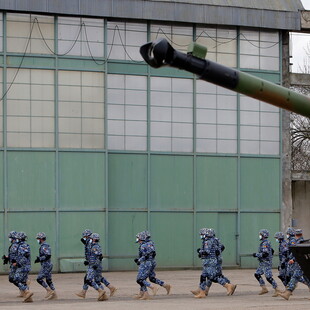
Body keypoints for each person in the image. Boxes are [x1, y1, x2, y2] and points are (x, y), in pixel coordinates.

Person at [194, 228, 236, 298]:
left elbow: (207, 251)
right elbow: (221, 247)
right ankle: (202, 291)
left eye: (202, 234)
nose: (201, 236)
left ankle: (227, 285)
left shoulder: (207, 241)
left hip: (210, 261)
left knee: (213, 277)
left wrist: (199, 251)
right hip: (211, 260)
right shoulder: (215, 240)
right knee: (203, 276)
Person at [134, 231, 171, 300]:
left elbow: (146, 256)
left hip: (146, 263)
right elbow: (152, 254)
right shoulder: (151, 243)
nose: (138, 240)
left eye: (138, 238)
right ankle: (165, 285)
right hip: (152, 262)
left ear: (142, 238)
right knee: (151, 278)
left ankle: (151, 288)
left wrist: (139, 260)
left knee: (140, 279)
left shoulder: (143, 245)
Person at [279, 228, 310, 300]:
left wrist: (293, 259)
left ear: (295, 234)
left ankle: (288, 293)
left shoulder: (300, 242)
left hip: (301, 263)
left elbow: (299, 254)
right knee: (306, 278)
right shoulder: (303, 242)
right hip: (303, 263)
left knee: (295, 276)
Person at [252, 229, 279, 296]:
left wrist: (256, 255)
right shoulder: (264, 242)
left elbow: (265, 254)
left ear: (264, 235)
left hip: (266, 263)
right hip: (262, 263)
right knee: (257, 274)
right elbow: (272, 251)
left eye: (260, 234)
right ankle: (264, 288)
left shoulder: (265, 243)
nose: (259, 236)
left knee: (268, 277)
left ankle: (277, 289)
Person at [82, 233, 108, 301]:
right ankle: (103, 295)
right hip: (91, 264)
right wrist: (88, 262)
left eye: (91, 238)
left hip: (93, 265)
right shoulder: (92, 246)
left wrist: (95, 264)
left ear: (94, 239)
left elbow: (99, 256)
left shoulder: (95, 247)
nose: (90, 239)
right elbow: (92, 256)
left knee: (88, 280)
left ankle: (100, 291)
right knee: (97, 280)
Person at [34, 232, 57, 300]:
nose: (37, 240)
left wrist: (40, 259)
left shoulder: (44, 246)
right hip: (47, 264)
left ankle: (48, 290)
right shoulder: (44, 245)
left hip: (46, 265)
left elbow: (48, 255)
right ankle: (54, 294)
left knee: (39, 279)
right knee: (48, 280)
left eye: (38, 238)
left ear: (41, 239)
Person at [12, 232, 33, 303]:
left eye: (17, 238)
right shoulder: (26, 245)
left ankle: (27, 291)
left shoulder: (21, 246)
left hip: (22, 266)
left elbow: (24, 256)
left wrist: (17, 263)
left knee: (15, 280)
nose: (16, 239)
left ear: (20, 239)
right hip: (27, 266)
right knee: (24, 281)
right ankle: (29, 298)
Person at [76, 229, 93, 298]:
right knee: (88, 278)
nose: (84, 238)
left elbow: (92, 254)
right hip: (91, 263)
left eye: (85, 237)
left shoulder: (90, 244)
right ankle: (83, 292)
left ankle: (101, 290)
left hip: (93, 263)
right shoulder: (88, 243)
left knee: (89, 279)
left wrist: (89, 261)